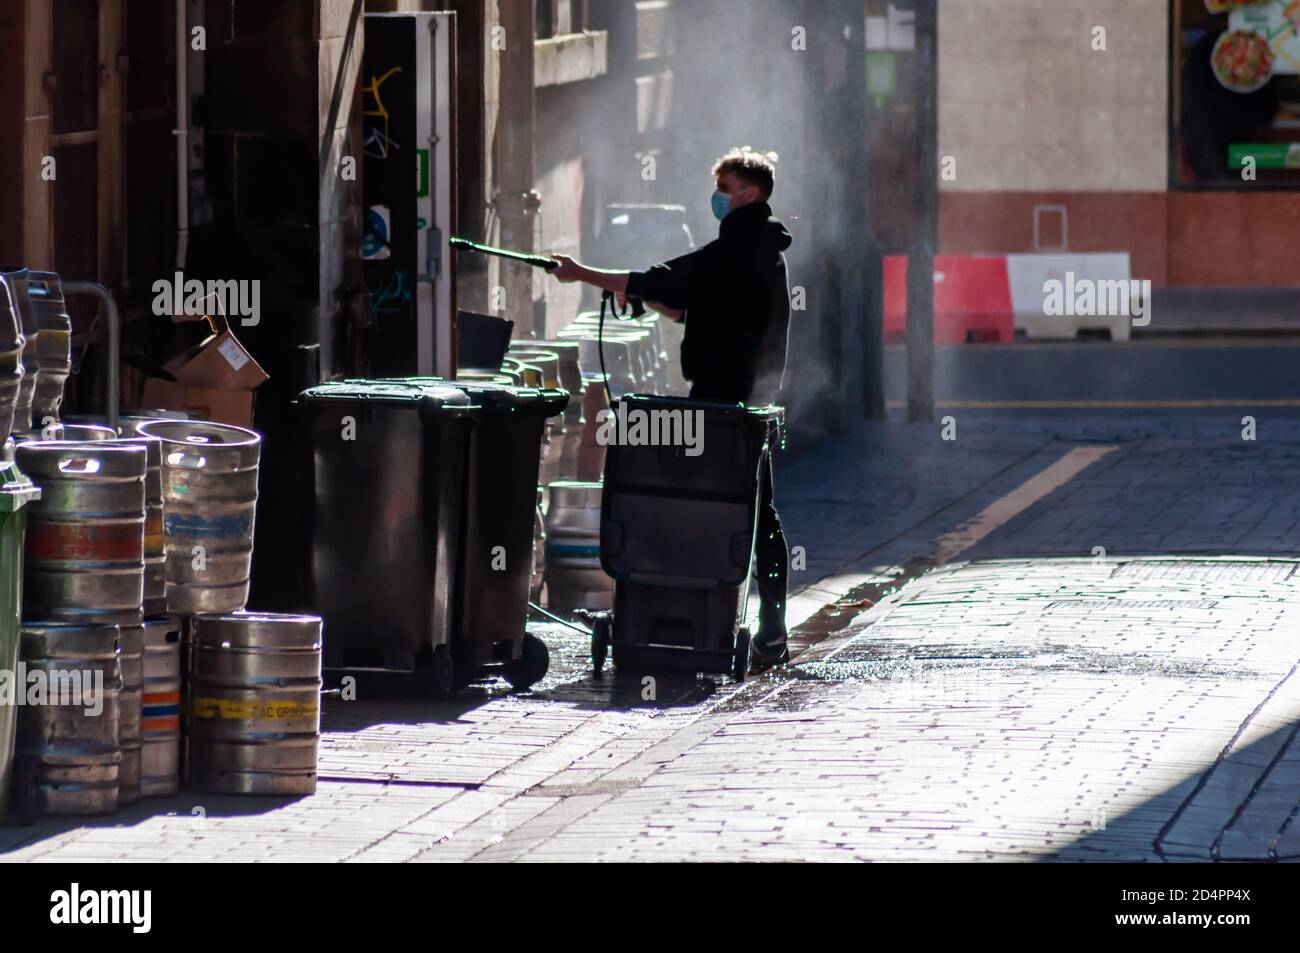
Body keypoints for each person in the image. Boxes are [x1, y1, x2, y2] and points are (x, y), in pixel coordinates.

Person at [550, 147, 794, 671]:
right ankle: (769, 629)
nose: (718, 199)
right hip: (749, 403)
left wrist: (583, 274)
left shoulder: (737, 248)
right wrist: (644, 293)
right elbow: (689, 301)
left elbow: (666, 279)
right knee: (757, 511)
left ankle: (700, 607)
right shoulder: (761, 248)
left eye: (724, 189)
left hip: (722, 404)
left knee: (707, 503)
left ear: (748, 193)